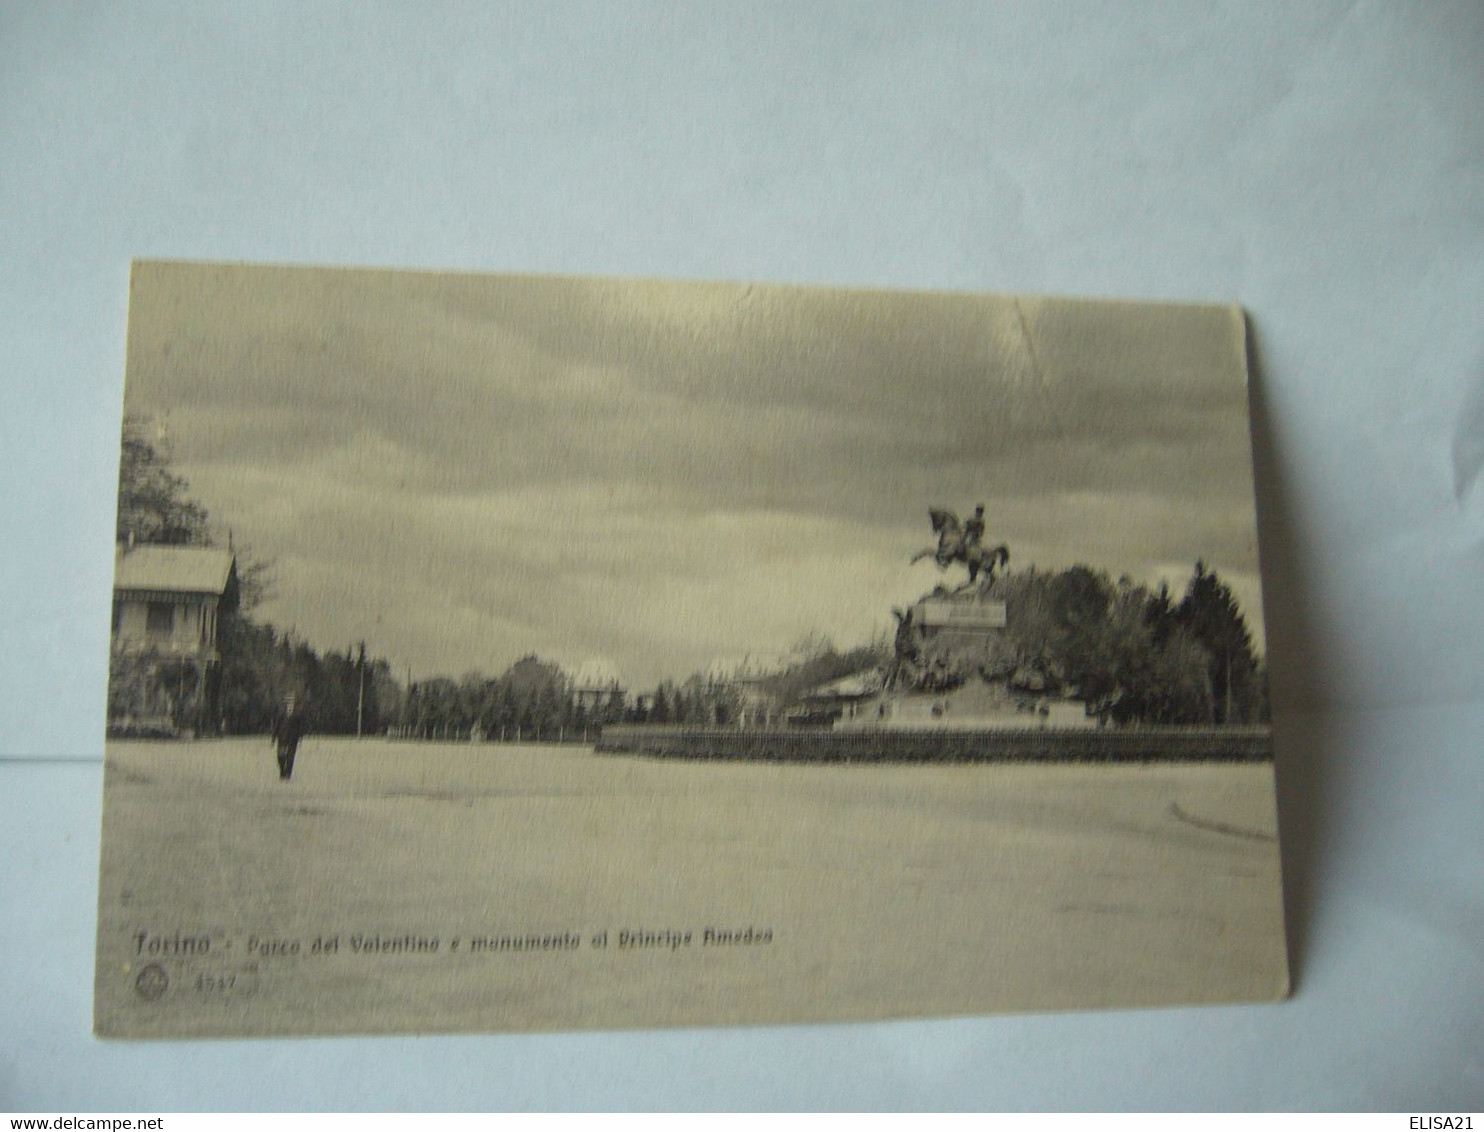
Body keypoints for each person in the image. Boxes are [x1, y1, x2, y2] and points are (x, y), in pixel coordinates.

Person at [271, 693, 310, 781]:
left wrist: (300, 738)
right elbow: (276, 726)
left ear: (293, 705)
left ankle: (288, 774)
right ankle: (282, 771)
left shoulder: (297, 715)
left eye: (291, 703)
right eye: (288, 703)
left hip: (293, 739)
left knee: (290, 757)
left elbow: (301, 727)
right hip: (282, 738)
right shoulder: (281, 714)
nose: (289, 705)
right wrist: (273, 738)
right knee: (280, 756)